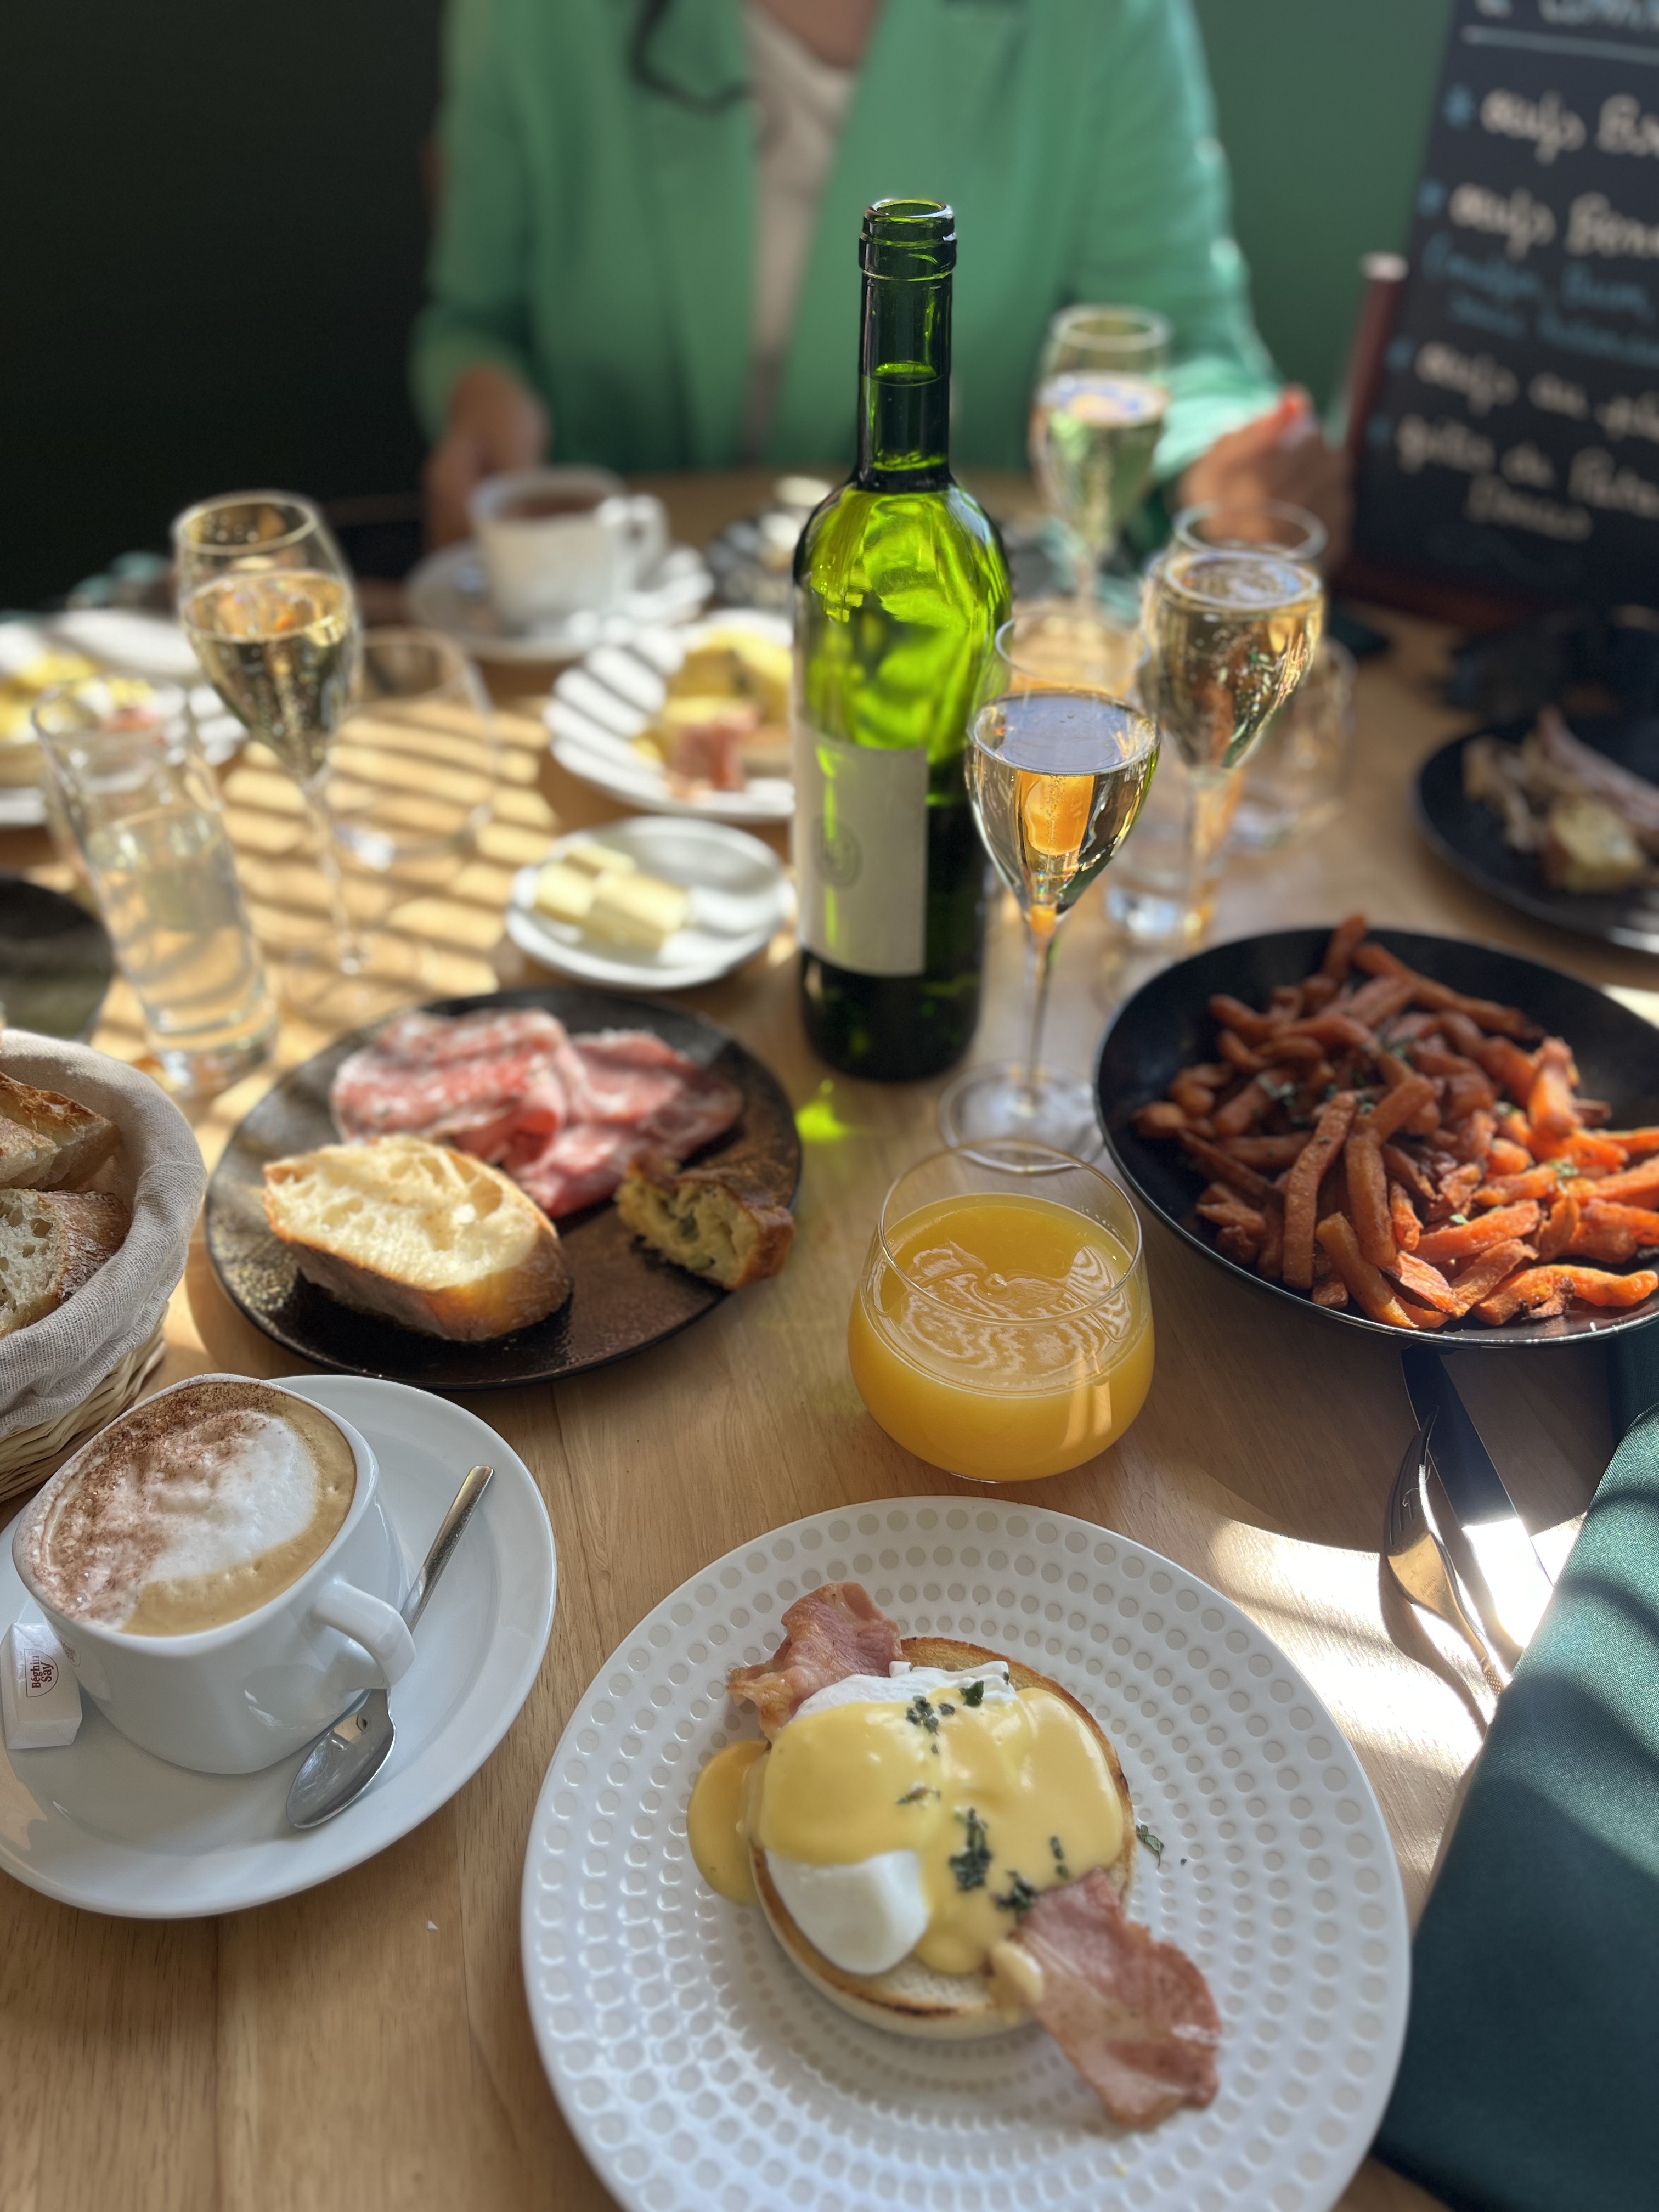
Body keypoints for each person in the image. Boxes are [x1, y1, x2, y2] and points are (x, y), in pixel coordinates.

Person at [415, 0, 1350, 558]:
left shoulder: (1102, 20)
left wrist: (1224, 470)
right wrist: (484, 397)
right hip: (614, 620)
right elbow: (475, 321)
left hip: (946, 629)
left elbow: (1175, 344)